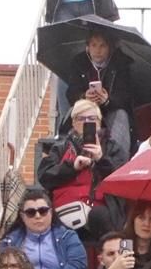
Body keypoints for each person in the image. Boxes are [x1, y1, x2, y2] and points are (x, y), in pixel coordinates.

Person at [38, 100, 120, 233]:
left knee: (100, 215)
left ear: (99, 122)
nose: (86, 122)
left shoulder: (112, 147)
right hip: (65, 209)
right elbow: (44, 176)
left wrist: (100, 159)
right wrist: (72, 167)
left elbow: (120, 179)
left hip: (99, 212)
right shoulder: (61, 147)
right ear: (73, 123)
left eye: (92, 118)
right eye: (81, 118)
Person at [54, 29, 137, 156]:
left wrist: (107, 101)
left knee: (121, 114)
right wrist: (83, 97)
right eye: (93, 45)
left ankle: (116, 158)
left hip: (111, 111)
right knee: (74, 112)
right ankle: (67, 153)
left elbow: (126, 96)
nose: (97, 50)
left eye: (102, 45)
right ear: (88, 47)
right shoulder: (78, 62)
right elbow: (71, 92)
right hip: (86, 108)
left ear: (110, 47)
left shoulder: (121, 63)